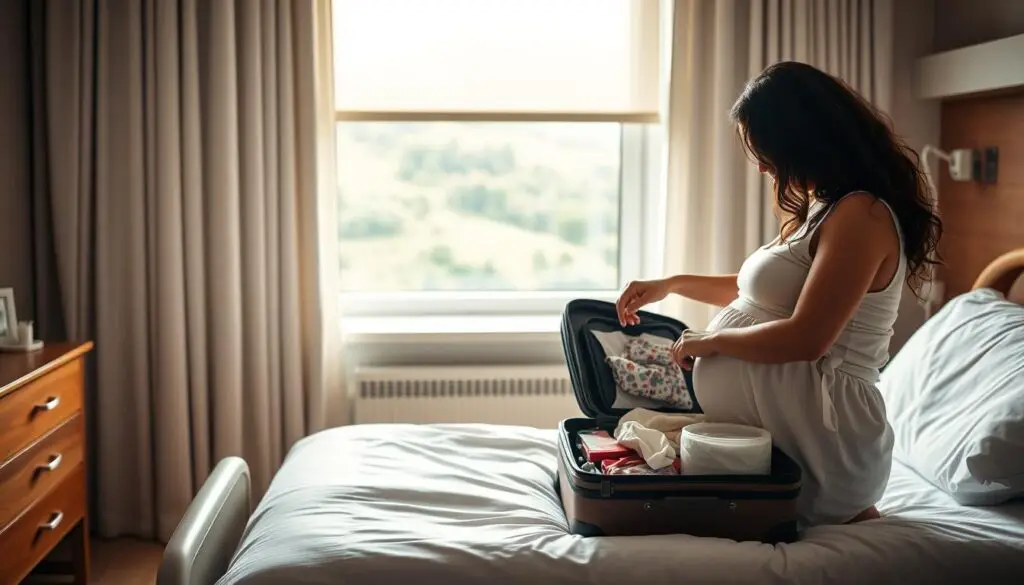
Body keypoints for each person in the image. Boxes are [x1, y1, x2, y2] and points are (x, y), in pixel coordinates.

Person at [614, 61, 942, 528]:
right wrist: (671, 285)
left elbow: (808, 338)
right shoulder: (827, 208)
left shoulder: (861, 215)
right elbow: (755, 295)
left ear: (803, 140)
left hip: (827, 444)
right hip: (790, 437)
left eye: (766, 150)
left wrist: (712, 342)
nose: (763, 165)